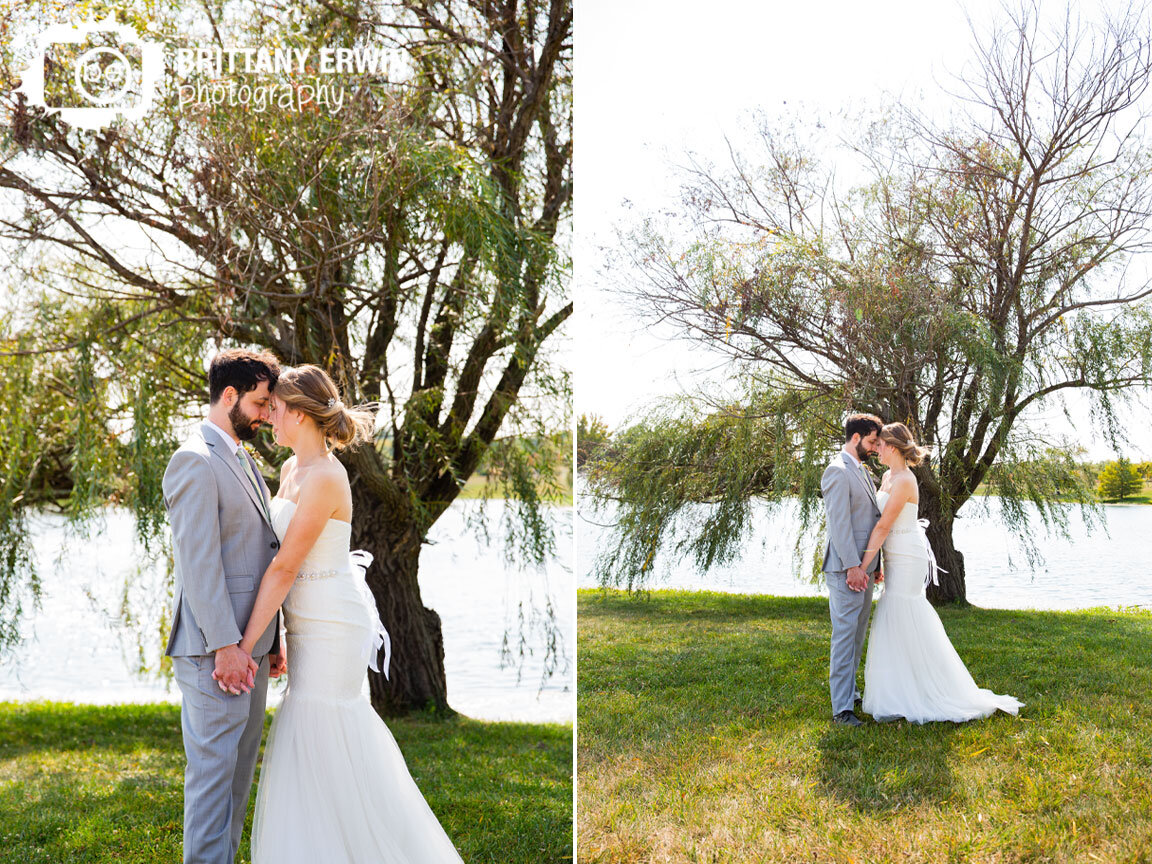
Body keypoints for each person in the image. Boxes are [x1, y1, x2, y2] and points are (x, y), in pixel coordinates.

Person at [232, 364, 464, 863]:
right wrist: (279, 639)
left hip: (333, 624)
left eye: (275, 408)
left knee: (325, 728)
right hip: (305, 621)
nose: (269, 417)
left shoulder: (326, 477)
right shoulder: (293, 469)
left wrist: (244, 646)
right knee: (306, 731)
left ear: (298, 412)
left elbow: (284, 568)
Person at [162, 348, 286, 864]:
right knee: (213, 786)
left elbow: (258, 554)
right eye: (259, 403)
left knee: (236, 784)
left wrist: (269, 642)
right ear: (229, 395)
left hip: (248, 649)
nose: (265, 414)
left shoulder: (238, 456)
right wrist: (224, 647)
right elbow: (200, 566)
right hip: (218, 655)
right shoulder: (194, 459)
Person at [860, 422, 1023, 723]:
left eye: (880, 444)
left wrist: (863, 564)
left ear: (893, 447)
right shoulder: (886, 476)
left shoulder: (906, 480)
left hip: (907, 553)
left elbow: (884, 526)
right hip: (892, 554)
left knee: (904, 608)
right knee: (893, 610)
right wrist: (879, 562)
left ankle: (928, 688)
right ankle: (898, 687)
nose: (876, 449)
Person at [820, 412, 884, 727]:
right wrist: (852, 567)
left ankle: (850, 692)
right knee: (845, 637)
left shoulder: (860, 471)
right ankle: (841, 709)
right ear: (855, 437)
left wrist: (874, 565)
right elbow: (839, 525)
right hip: (847, 569)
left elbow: (870, 520)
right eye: (872, 441)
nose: (875, 448)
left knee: (857, 636)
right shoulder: (837, 471)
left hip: (864, 567)